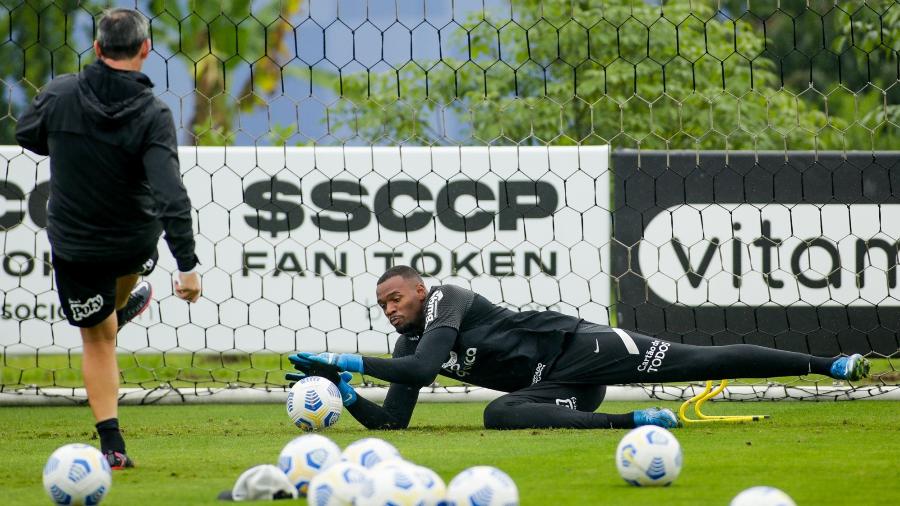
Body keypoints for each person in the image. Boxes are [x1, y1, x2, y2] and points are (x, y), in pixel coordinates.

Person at [288, 265, 870, 431]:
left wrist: (341, 359)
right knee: (499, 413)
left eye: (395, 297)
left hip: (582, 347)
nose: (391, 308)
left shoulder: (447, 298)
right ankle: (635, 420)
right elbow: (393, 420)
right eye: (383, 305)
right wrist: (346, 394)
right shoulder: (410, 337)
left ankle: (832, 366)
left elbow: (419, 368)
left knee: (701, 359)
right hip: (564, 390)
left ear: (419, 288)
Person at [16, 8, 201, 468]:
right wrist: (188, 266)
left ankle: (112, 449)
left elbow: (25, 132)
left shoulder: (59, 94)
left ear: (97, 48)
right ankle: (121, 304)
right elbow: (170, 195)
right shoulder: (153, 112)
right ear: (145, 49)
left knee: (97, 340)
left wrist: (66, 141)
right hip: (133, 242)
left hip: (75, 246)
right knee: (109, 319)